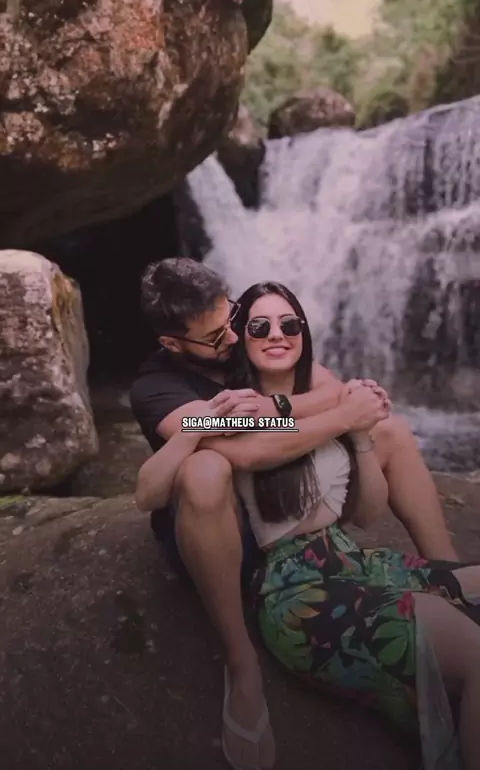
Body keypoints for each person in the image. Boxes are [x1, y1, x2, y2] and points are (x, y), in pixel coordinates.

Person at [130, 258, 462, 770]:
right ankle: (241, 660)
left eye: (233, 318)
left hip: (293, 508)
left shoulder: (249, 338)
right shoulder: (157, 386)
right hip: (217, 524)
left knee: (391, 432)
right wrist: (333, 415)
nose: (236, 336)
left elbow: (326, 387)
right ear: (174, 343)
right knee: (206, 469)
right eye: (217, 336)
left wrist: (286, 408)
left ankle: (445, 568)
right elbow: (240, 448)